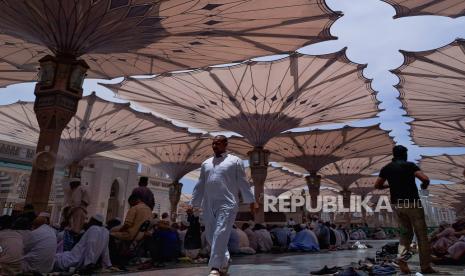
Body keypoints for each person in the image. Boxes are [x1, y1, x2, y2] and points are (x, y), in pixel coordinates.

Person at [190, 135, 256, 276]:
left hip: (227, 203)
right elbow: (200, 184)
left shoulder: (235, 161)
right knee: (210, 235)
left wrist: (251, 201)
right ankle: (224, 260)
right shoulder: (206, 163)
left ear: (225, 144)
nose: (214, 146)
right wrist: (194, 203)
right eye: (213, 144)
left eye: (218, 143)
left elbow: (243, 183)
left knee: (220, 232)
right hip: (208, 203)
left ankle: (215, 268)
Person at [375, 145, 437, 274]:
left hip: (398, 206)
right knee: (421, 235)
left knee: (405, 234)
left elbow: (377, 185)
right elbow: (425, 179)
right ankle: (425, 267)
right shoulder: (410, 165)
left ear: (394, 154)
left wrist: (391, 184)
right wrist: (423, 186)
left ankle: (402, 259)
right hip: (413, 203)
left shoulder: (386, 168)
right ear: (404, 154)